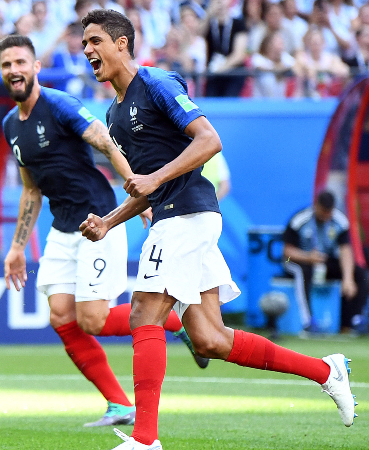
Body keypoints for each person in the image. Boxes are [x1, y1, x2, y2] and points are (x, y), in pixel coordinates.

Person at [78, 10, 355, 449]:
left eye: (95, 41)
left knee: (143, 313)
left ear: (122, 43)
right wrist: (109, 222)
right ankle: (326, 371)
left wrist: (152, 181)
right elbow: (149, 184)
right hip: (174, 215)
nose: (88, 50)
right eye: (84, 44)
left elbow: (209, 140)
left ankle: (145, 441)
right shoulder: (114, 115)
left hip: (188, 214)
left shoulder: (156, 84)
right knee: (209, 339)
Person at [0, 34, 206, 429]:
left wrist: (140, 190)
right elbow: (30, 189)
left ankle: (176, 321)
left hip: (97, 222)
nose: (14, 71)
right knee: (61, 317)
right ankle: (119, 405)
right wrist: (17, 247)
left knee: (91, 320)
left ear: (36, 67)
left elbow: (109, 144)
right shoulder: (11, 125)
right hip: (61, 229)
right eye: (7, 65)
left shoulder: (59, 105)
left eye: (21, 62)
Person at [283, 190, 369, 333]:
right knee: (302, 271)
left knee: (359, 273)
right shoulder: (300, 220)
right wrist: (307, 257)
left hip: (324, 261)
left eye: (329, 212)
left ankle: (355, 320)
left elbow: (345, 251)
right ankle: (308, 321)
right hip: (299, 260)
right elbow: (287, 252)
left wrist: (348, 278)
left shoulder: (340, 221)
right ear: (316, 205)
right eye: (323, 212)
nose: (326, 216)